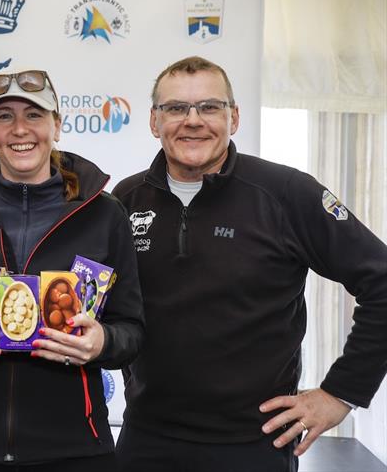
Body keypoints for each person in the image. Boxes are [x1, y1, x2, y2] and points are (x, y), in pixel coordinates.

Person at [112, 56, 387, 471]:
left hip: (253, 445)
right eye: (175, 108)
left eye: (209, 107)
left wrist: (341, 393)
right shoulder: (126, 198)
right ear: (154, 121)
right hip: (145, 439)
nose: (192, 120)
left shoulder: (286, 193)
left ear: (233, 117)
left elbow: (382, 280)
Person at [0, 69, 145, 471]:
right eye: (4, 116)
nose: (20, 129)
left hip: (75, 450)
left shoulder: (104, 213)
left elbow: (132, 329)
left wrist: (102, 343)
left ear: (57, 124)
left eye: (34, 115)